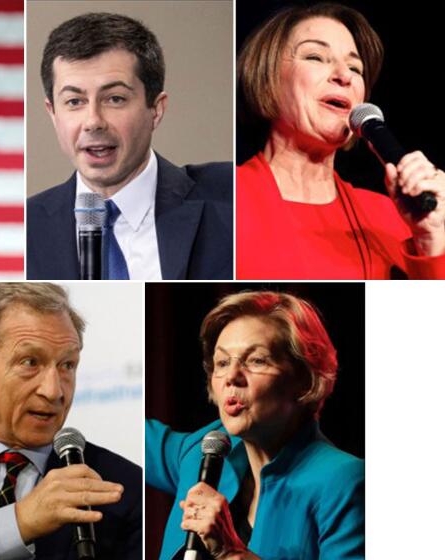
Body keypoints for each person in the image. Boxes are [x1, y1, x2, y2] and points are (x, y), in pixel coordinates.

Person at [0, 283, 142, 559]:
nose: (54, 391)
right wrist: (17, 524)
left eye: (67, 365)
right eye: (30, 362)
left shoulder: (123, 489)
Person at [146, 291, 363, 559]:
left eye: (256, 360)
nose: (232, 377)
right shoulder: (204, 450)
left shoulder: (344, 482)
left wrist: (230, 551)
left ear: (306, 379)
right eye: (222, 363)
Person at [237, 2, 445, 279]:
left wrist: (431, 240)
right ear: (267, 80)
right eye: (315, 57)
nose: (344, 76)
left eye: (355, 68)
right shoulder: (224, 200)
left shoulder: (392, 219)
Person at [27, 12, 232, 280]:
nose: (93, 122)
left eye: (114, 99)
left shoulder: (230, 196)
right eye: (75, 102)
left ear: (156, 110)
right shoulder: (26, 227)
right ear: (52, 113)